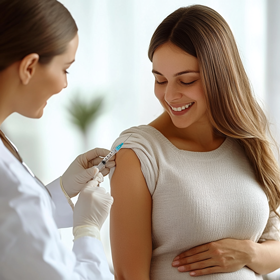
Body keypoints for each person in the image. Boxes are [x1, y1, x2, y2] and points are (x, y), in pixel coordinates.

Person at [109, 4, 280, 280]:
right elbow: (129, 276)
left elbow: (275, 246)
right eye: (160, 80)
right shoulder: (138, 153)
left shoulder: (248, 139)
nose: (170, 96)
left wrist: (249, 253)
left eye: (186, 81)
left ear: (221, 77)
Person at [0, 0, 114, 279]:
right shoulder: (14, 187)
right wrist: (87, 231)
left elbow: (13, 230)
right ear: (29, 66)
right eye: (65, 69)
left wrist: (58, 191)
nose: (64, 84)